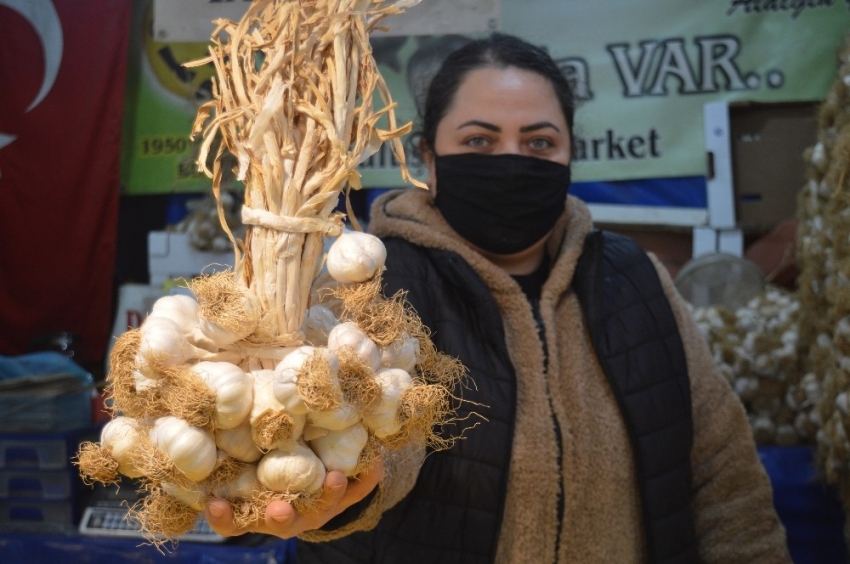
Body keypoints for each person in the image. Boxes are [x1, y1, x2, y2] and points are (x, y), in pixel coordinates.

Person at [205, 32, 792, 563]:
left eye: (539, 142)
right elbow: (361, 437)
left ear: (568, 156)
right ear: (429, 161)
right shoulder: (368, 282)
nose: (510, 161)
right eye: (478, 140)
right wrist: (339, 486)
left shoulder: (634, 278)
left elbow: (722, 474)